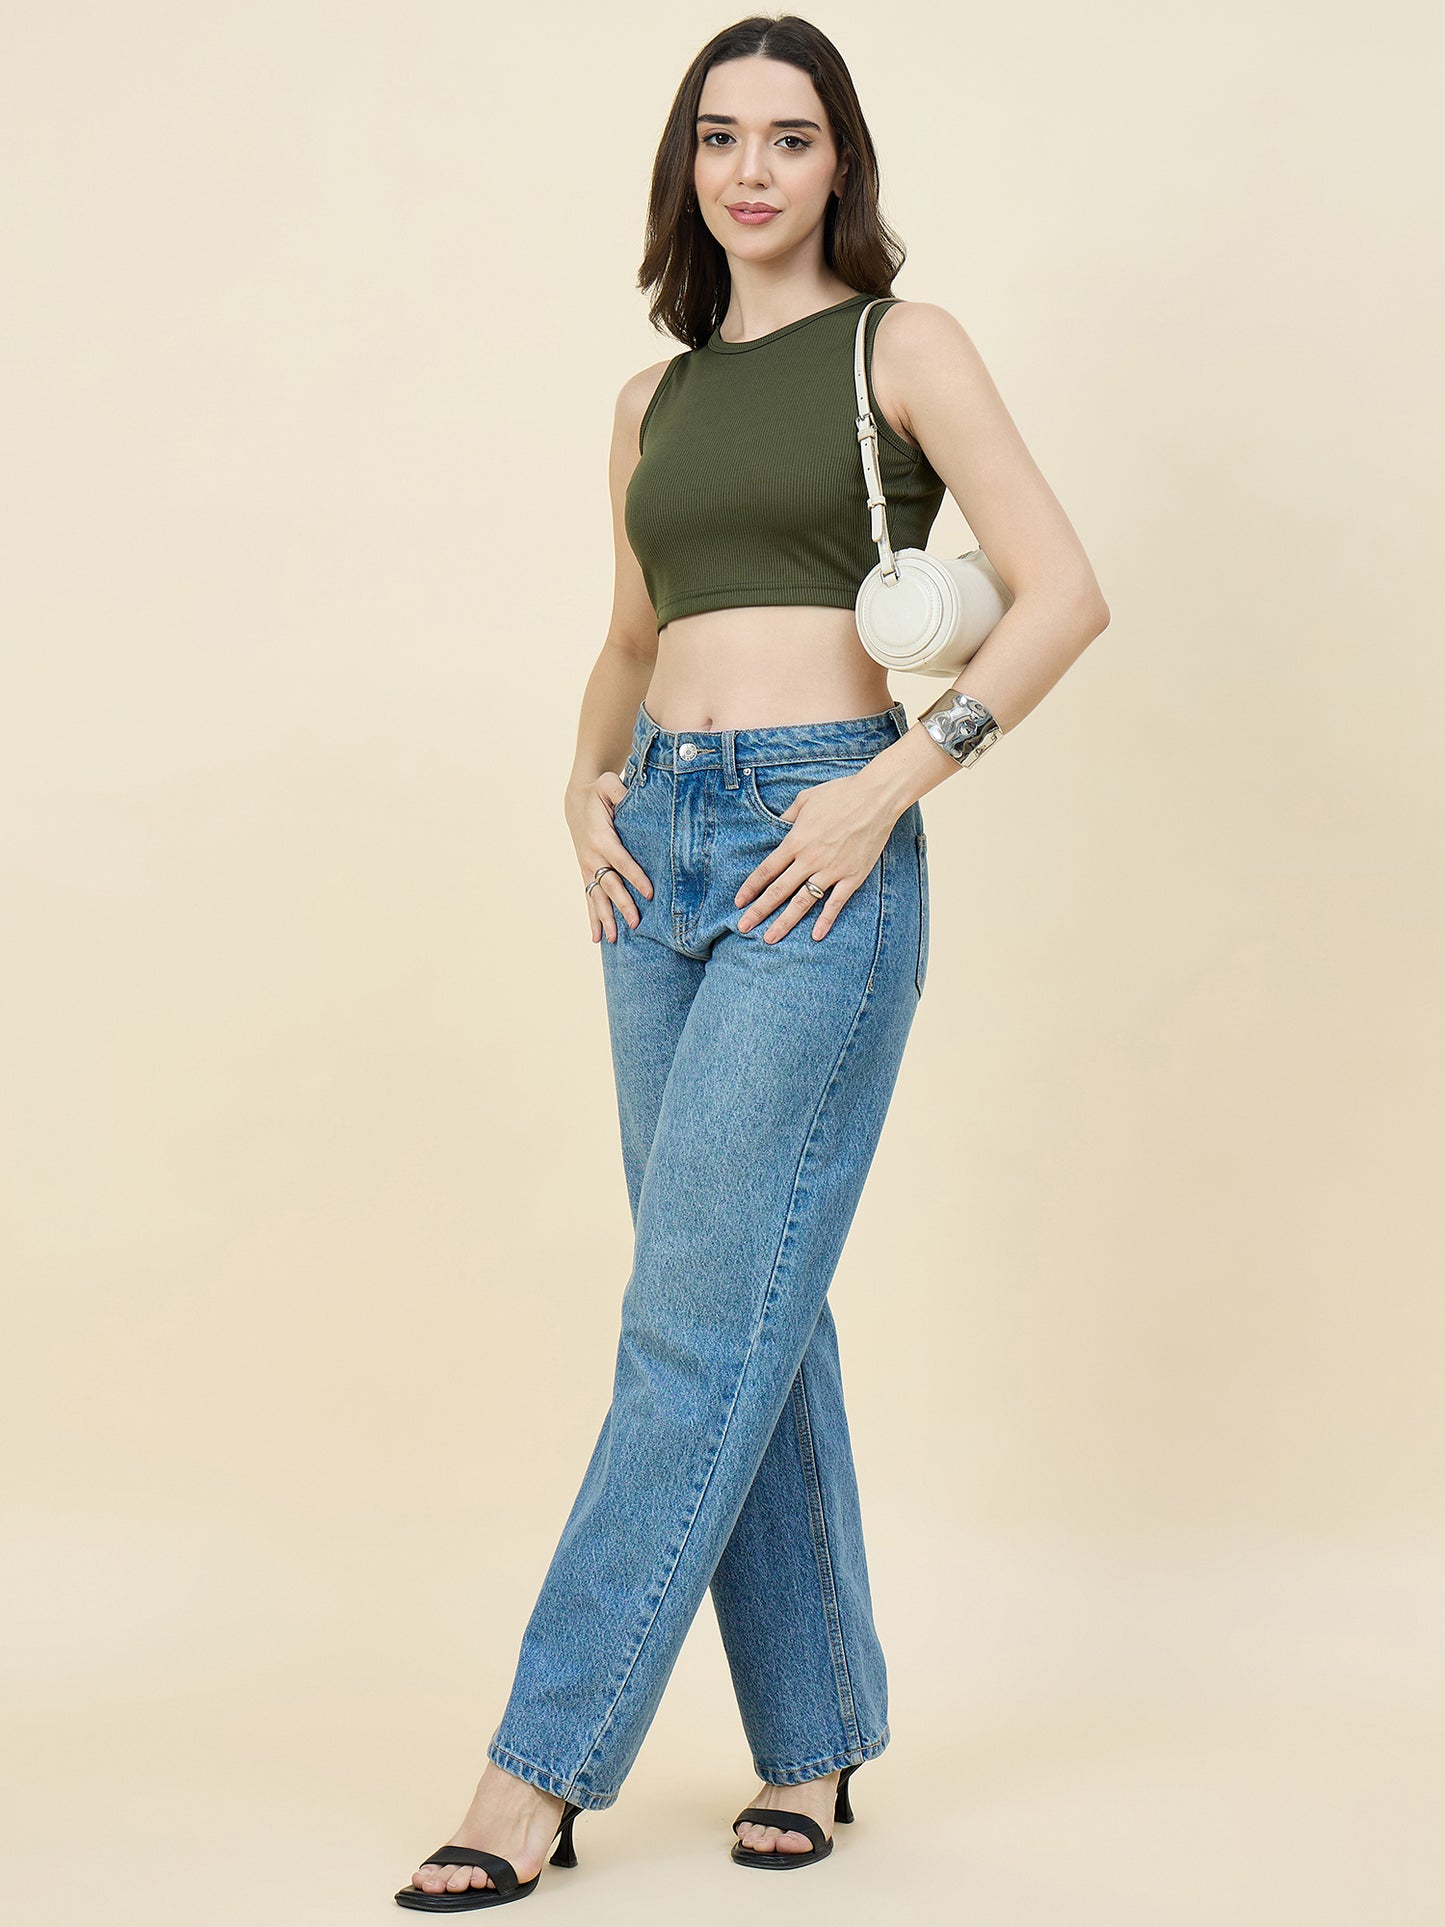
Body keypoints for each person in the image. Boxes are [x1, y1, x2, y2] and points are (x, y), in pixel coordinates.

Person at [395, 15, 1109, 1911]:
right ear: (686, 167)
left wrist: (889, 785)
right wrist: (578, 786)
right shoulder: (649, 403)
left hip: (818, 846)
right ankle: (812, 1741)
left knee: (691, 1324)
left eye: (791, 137)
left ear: (838, 164)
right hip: (661, 853)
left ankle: (531, 1772)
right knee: (743, 1308)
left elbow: (1061, 591)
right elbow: (630, 642)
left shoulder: (904, 347)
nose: (753, 169)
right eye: (721, 137)